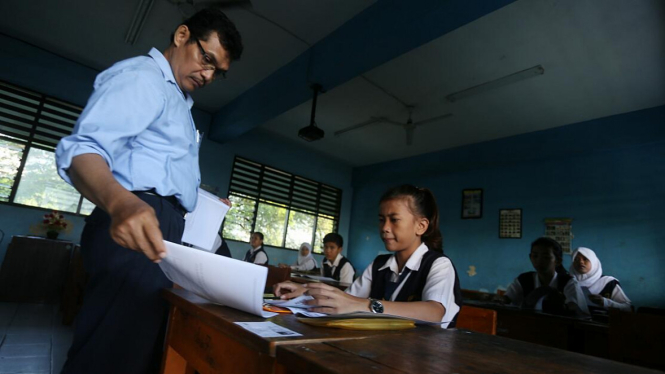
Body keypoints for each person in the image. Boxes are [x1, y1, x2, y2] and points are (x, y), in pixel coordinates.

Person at [54, 8, 243, 374]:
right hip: (133, 226)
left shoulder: (176, 99)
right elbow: (82, 150)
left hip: (161, 228)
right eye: (206, 59)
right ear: (182, 35)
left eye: (217, 72)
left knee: (136, 350)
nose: (208, 74)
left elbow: (155, 170)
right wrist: (121, 201)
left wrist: (198, 198)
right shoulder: (144, 78)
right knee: (110, 354)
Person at [274, 185, 462, 327]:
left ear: (420, 226)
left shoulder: (438, 264)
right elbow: (347, 299)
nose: (385, 228)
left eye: (394, 220)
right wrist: (305, 291)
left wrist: (366, 306)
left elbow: (434, 312)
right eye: (382, 220)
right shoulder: (380, 264)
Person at [504, 238, 588, 316]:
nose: (539, 261)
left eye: (546, 257)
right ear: (530, 257)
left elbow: (576, 311)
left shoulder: (568, 282)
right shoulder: (524, 280)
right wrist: (498, 299)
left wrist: (568, 306)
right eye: (535, 256)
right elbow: (506, 300)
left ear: (558, 261)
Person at [569, 247, 631, 311]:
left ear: (593, 261)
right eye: (576, 259)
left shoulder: (609, 282)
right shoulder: (568, 282)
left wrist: (605, 302)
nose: (581, 262)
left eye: (585, 259)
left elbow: (627, 308)